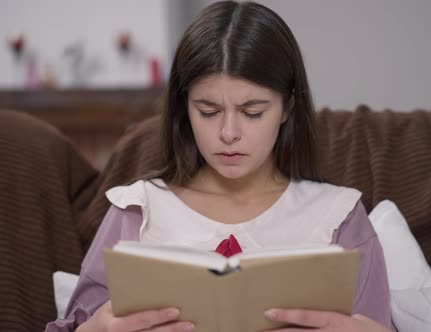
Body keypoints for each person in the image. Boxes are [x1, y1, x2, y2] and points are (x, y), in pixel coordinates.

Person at [46, 1, 393, 331]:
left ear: (287, 107)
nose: (229, 134)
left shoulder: (339, 217)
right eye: (208, 111)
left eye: (252, 112)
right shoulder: (137, 209)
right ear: (185, 108)